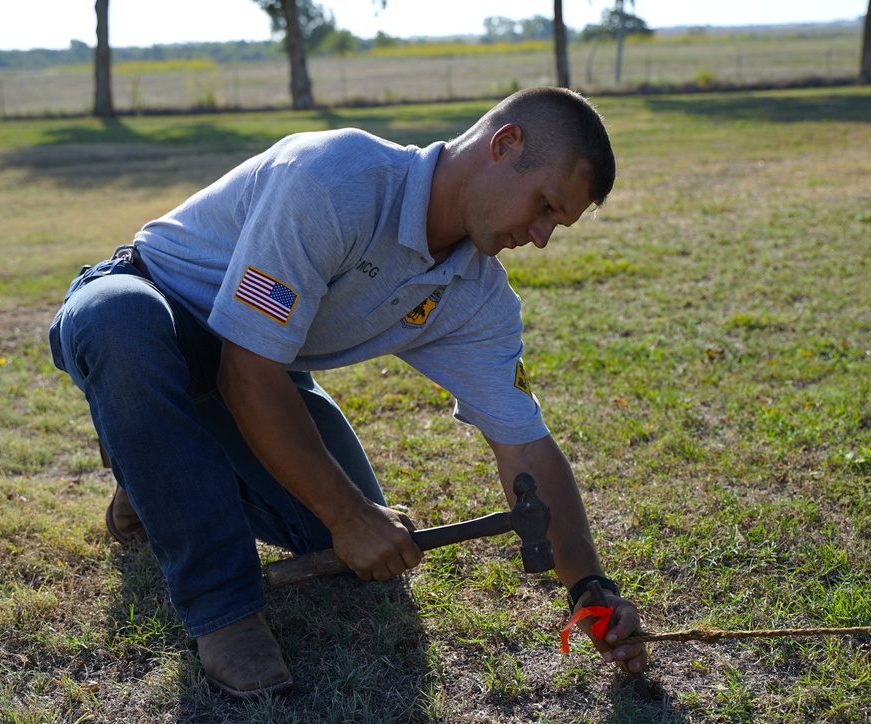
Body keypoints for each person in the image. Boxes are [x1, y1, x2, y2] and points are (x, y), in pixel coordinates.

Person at [48, 86, 648, 699]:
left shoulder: (478, 298)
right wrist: (350, 515)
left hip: (259, 366)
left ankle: (148, 464)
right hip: (149, 308)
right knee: (119, 324)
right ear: (504, 143)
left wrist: (591, 594)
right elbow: (244, 376)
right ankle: (223, 613)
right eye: (545, 205)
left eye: (559, 222)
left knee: (343, 551)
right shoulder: (336, 178)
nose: (543, 235)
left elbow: (527, 451)